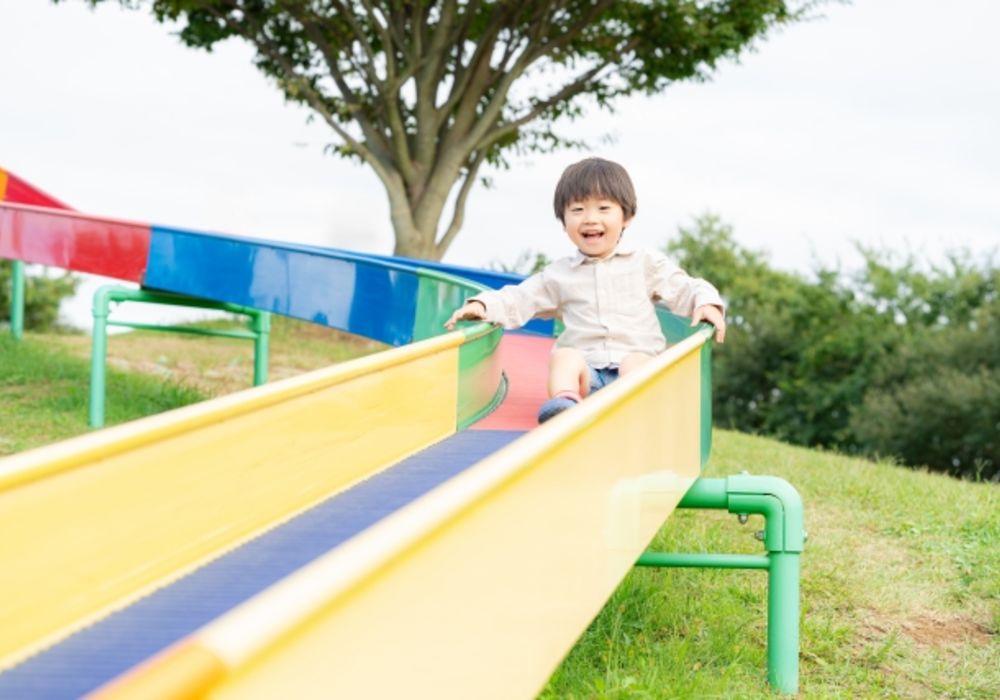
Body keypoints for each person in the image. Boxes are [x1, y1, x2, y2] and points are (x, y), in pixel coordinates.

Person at [445, 157, 726, 423]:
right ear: (564, 221)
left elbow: (684, 287)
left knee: (637, 362)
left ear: (627, 217)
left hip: (634, 375)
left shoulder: (645, 263)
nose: (590, 219)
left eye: (604, 209)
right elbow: (519, 298)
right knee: (564, 356)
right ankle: (565, 405)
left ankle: (630, 407)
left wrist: (707, 303)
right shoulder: (558, 274)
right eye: (578, 210)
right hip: (586, 377)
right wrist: (482, 305)